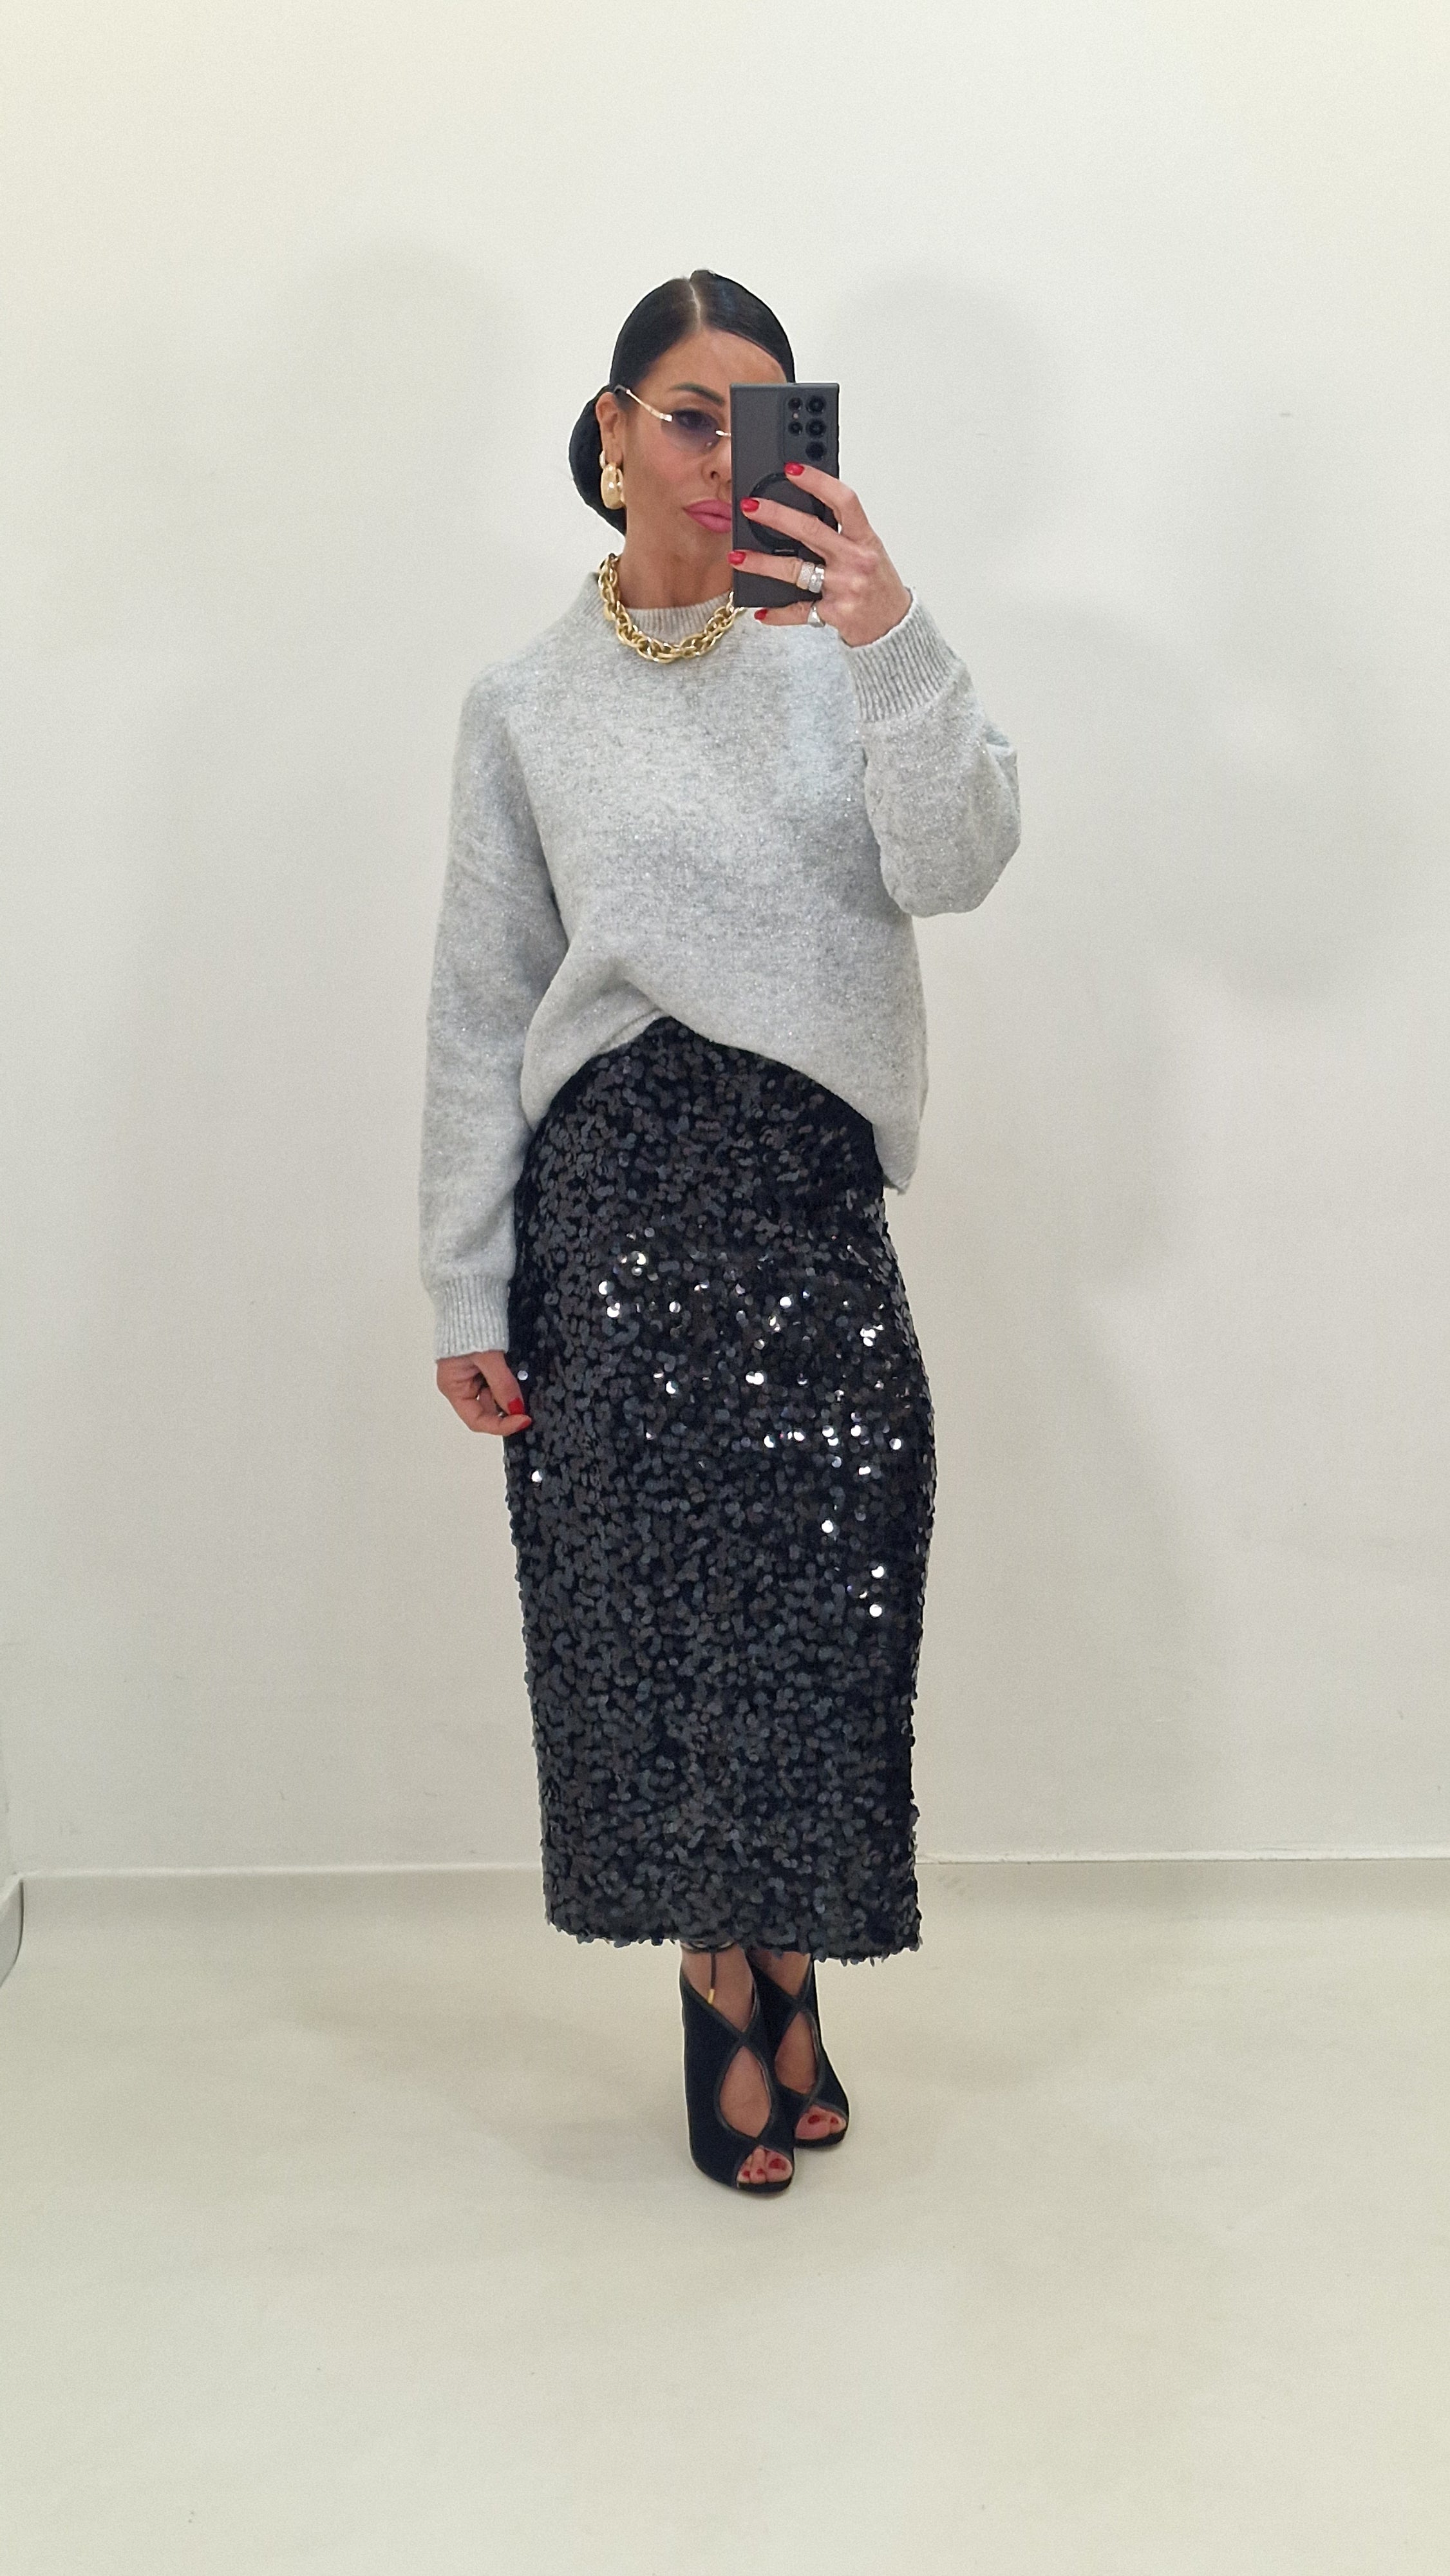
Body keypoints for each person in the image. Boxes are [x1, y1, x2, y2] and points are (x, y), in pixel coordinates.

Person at [419, 268, 1020, 2195]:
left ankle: (791, 1954)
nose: (715, 456)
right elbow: (480, 1004)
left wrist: (890, 631)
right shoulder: (524, 702)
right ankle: (723, 1978)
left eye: (754, 421)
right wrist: (464, 1276)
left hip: (804, 1200)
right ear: (611, 432)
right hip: (610, 1202)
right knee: (655, 1620)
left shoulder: (845, 655)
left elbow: (961, 862)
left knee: (824, 1606)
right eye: (686, 415)